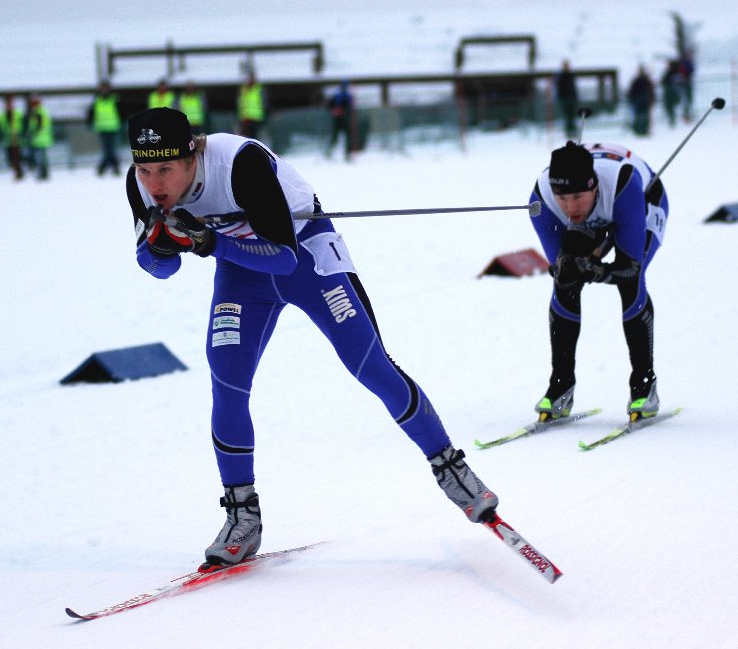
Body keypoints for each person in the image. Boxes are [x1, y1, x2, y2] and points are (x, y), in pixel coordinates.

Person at [123, 108, 500, 570]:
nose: (154, 183)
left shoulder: (239, 164)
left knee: (370, 365)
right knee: (227, 382)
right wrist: (160, 245)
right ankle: (242, 516)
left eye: (165, 169)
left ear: (191, 158)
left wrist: (208, 242)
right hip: (241, 273)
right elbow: (158, 268)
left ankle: (450, 467)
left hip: (305, 256)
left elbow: (283, 259)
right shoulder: (140, 185)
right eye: (145, 170)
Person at [528, 140, 668, 424]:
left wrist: (599, 271)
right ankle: (561, 386)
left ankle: (644, 386)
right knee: (566, 285)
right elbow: (561, 270)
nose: (569, 207)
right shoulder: (542, 199)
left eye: (577, 196)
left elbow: (629, 268)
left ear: (593, 187)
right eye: (561, 197)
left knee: (632, 283)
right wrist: (571, 268)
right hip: (597, 213)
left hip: (641, 202)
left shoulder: (623, 184)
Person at [87, 80, 123, 176]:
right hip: (102, 128)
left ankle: (104, 167)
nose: (104, 90)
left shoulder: (114, 99)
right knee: (108, 149)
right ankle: (113, 166)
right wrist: (90, 122)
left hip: (113, 127)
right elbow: (92, 112)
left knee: (110, 149)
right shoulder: (97, 100)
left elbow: (122, 111)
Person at [25, 95, 53, 180]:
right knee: (43, 157)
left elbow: (38, 126)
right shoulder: (43, 111)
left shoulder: (37, 112)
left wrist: (32, 132)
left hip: (38, 139)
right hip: (44, 138)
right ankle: (44, 172)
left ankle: (42, 173)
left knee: (39, 157)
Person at [0, 95, 24, 180]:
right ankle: (16, 172)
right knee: (11, 157)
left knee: (17, 156)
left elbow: (23, 125)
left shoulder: (18, 114)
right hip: (7, 139)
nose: (9, 105)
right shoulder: (2, 116)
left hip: (16, 138)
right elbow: (0, 128)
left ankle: (19, 172)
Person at [326, 81, 354, 161]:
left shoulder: (341, 96)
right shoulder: (341, 96)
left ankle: (345, 154)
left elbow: (349, 108)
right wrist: (335, 111)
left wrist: (335, 111)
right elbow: (350, 107)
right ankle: (331, 152)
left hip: (341, 119)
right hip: (340, 119)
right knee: (339, 136)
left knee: (340, 137)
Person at [627, 66, 655, 136]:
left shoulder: (641, 80)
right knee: (642, 115)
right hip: (641, 100)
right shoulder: (644, 80)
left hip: (642, 101)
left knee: (642, 115)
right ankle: (641, 130)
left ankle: (642, 130)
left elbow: (632, 91)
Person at [237, 72, 266, 139]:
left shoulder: (258, 89)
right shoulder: (243, 89)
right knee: (245, 137)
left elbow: (264, 103)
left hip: (255, 118)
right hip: (245, 118)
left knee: (254, 137)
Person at [555, 60, 578, 139]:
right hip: (564, 100)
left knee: (572, 116)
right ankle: (568, 132)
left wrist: (574, 97)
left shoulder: (571, 75)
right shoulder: (560, 76)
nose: (567, 67)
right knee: (567, 117)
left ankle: (573, 131)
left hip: (572, 99)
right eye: (565, 66)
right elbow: (559, 88)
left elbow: (573, 88)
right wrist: (562, 97)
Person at [659, 59, 682, 127]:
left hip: (671, 93)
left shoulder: (673, 73)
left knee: (670, 107)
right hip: (671, 93)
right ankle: (672, 120)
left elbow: (664, 81)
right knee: (669, 108)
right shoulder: (673, 73)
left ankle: (672, 121)